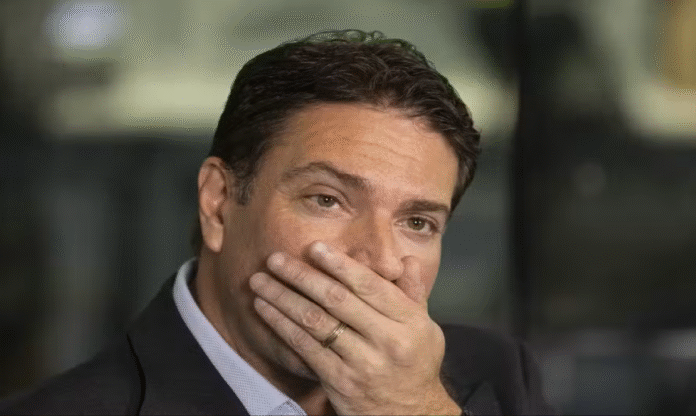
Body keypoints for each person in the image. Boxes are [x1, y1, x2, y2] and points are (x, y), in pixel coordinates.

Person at [1, 30, 554, 415]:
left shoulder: (499, 376)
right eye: (328, 200)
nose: (382, 260)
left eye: (417, 222)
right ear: (219, 202)